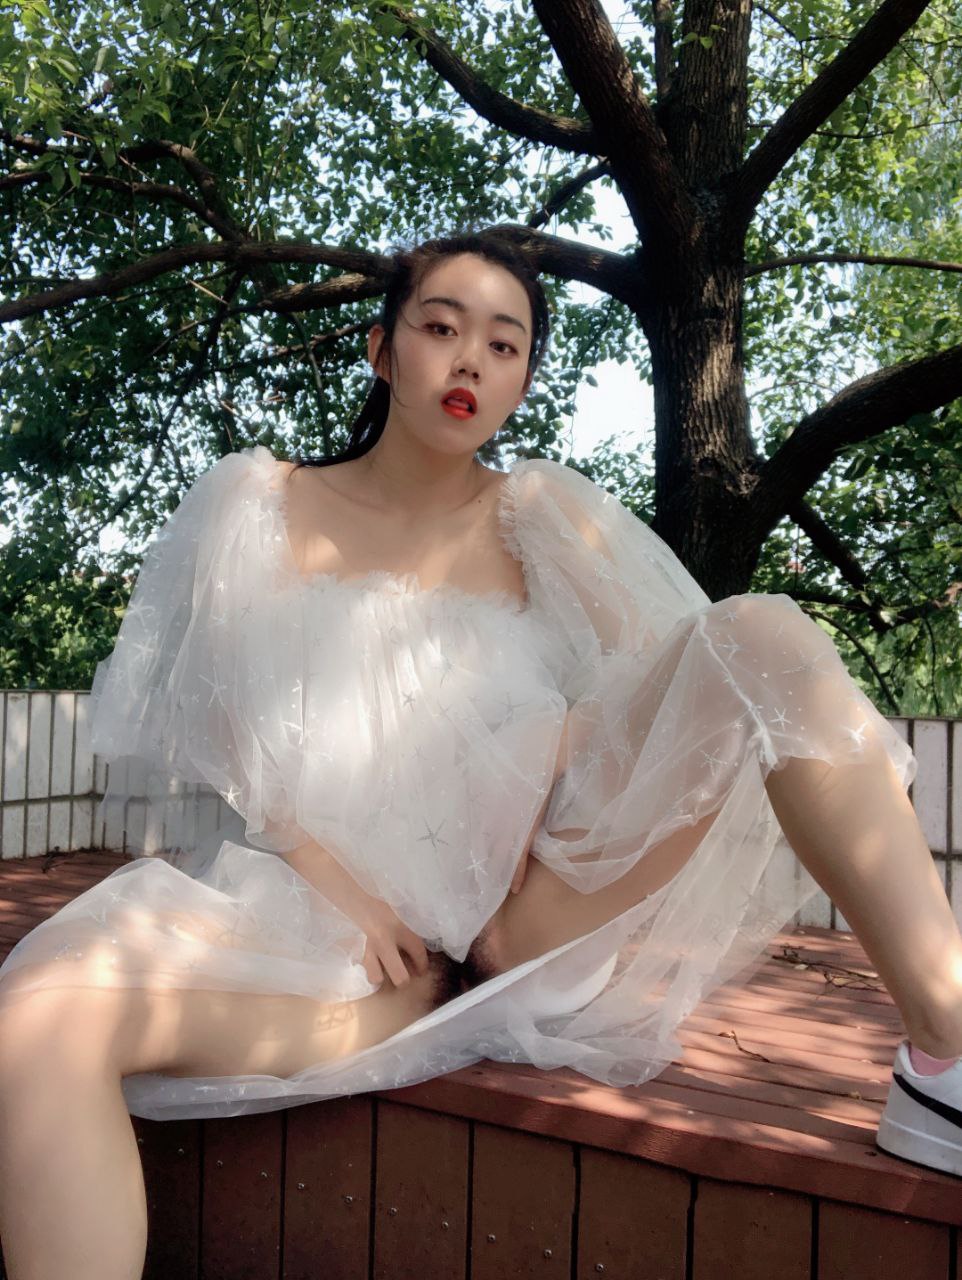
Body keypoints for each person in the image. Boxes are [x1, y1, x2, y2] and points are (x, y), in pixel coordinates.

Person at [1, 231, 961, 1279]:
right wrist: (350, 895)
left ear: (522, 380)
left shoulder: (539, 516)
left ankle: (944, 1050)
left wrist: (544, 750)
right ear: (382, 349)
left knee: (761, 637)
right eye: (441, 327)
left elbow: (655, 699)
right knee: (38, 1024)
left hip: (522, 911)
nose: (470, 361)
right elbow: (222, 737)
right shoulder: (258, 503)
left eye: (504, 346)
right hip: (347, 937)